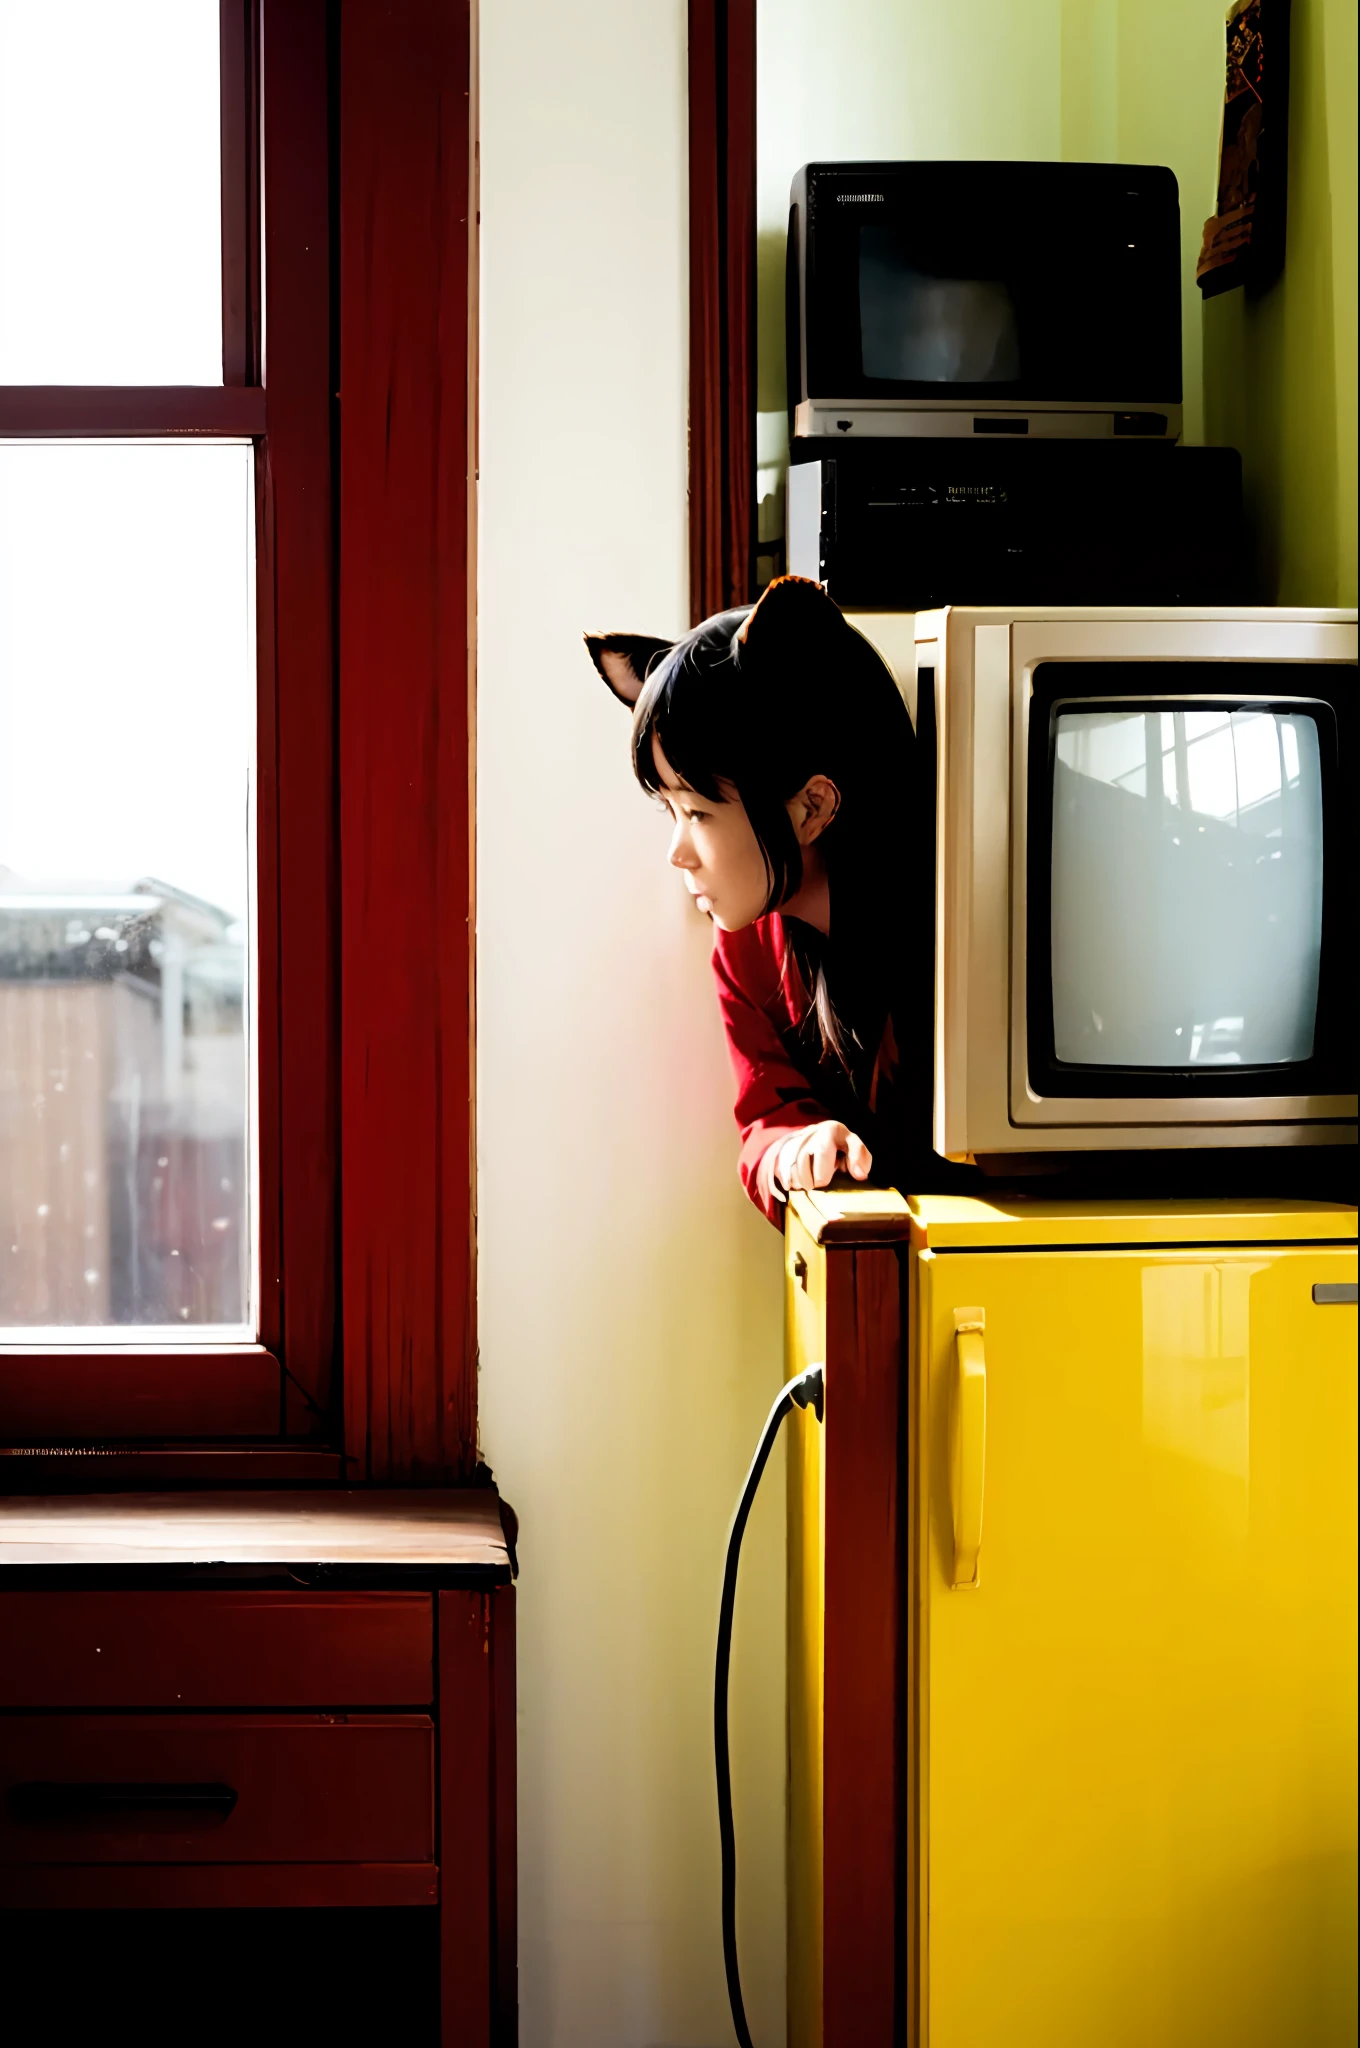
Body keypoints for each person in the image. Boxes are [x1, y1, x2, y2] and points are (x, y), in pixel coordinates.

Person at [586, 573, 950, 1226]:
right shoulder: (746, 953)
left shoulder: (952, 928)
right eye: (670, 810)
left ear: (813, 807)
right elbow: (766, 1112)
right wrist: (795, 1150)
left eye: (696, 813)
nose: (677, 852)